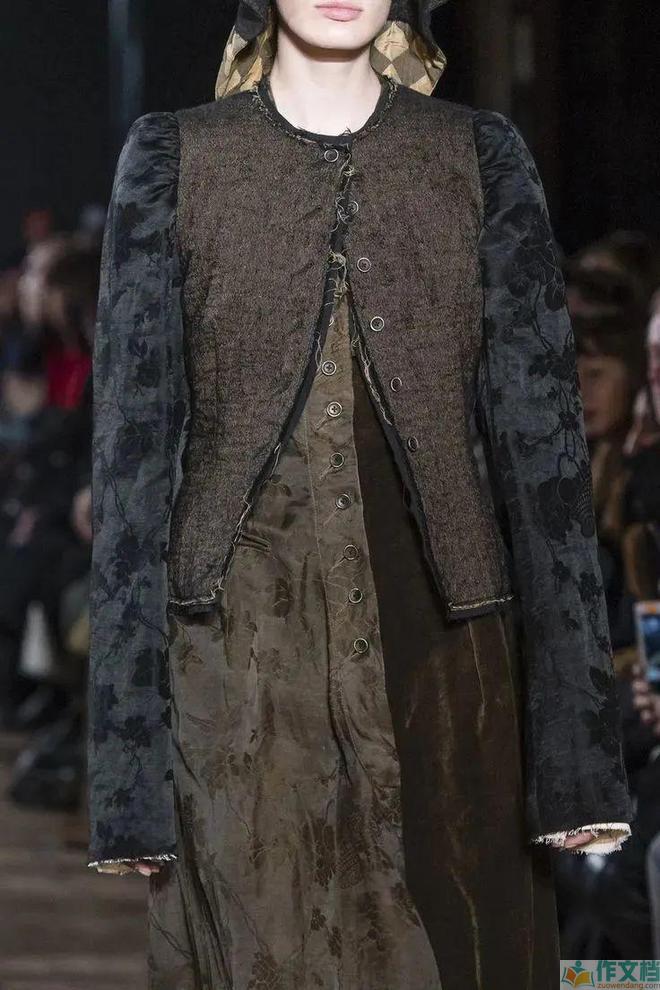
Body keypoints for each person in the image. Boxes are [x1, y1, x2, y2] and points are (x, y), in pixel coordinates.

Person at [87, 2, 634, 987]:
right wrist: (126, 782)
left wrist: (579, 763)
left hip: (451, 663)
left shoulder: (477, 154)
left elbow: (545, 461)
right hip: (236, 668)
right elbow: (132, 462)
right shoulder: (176, 157)